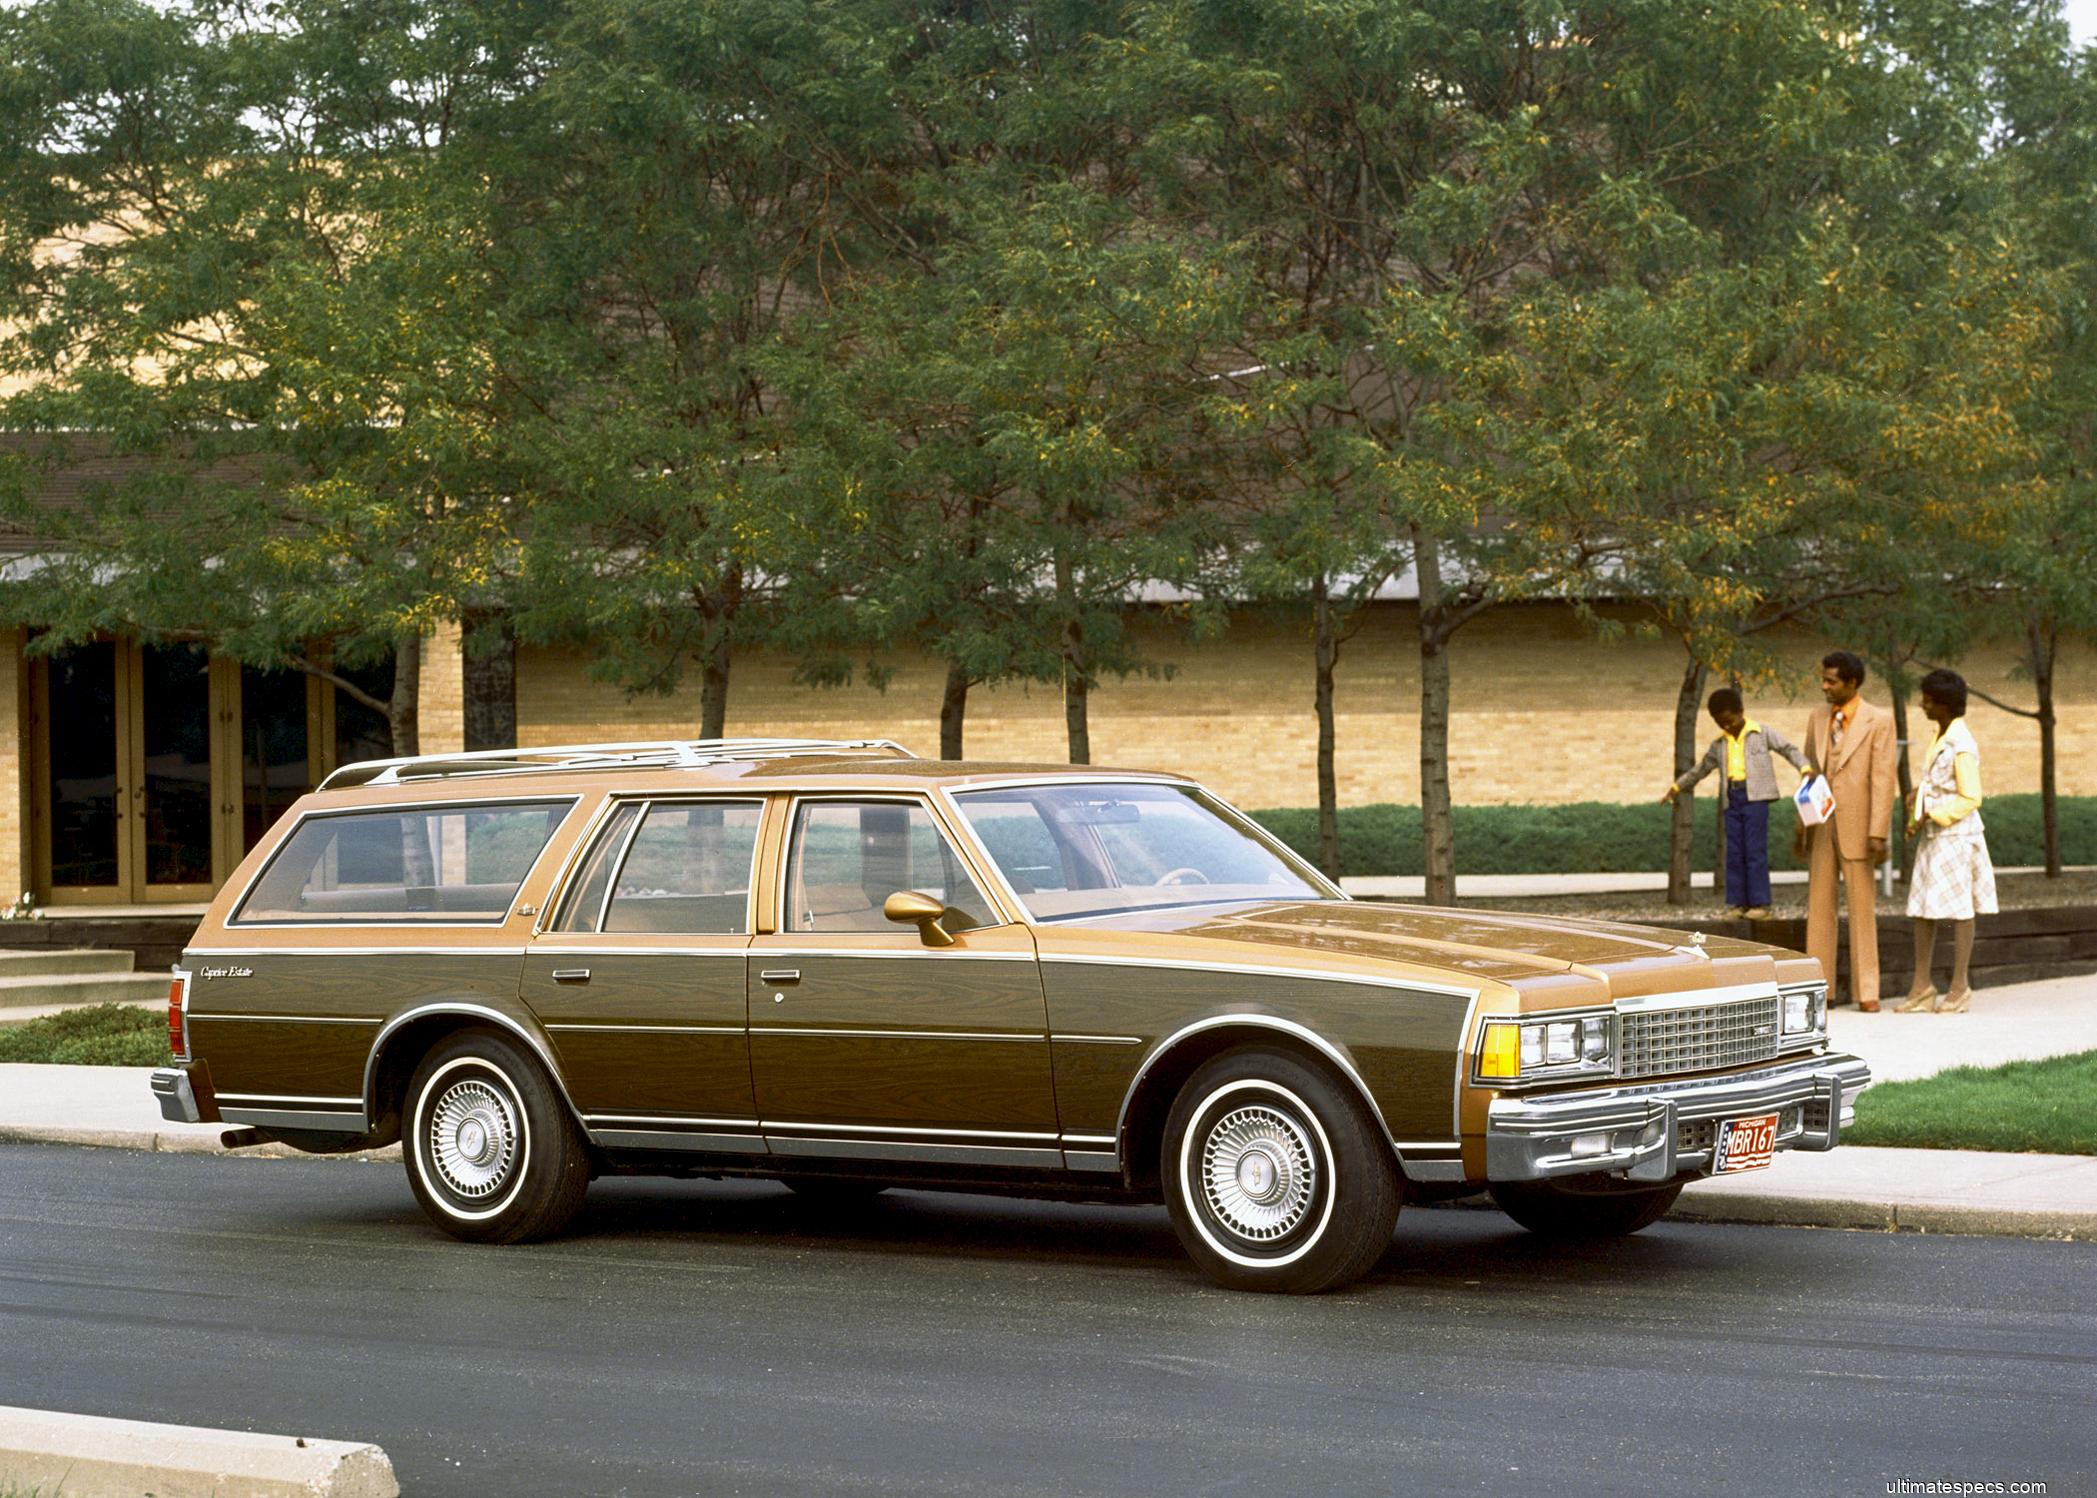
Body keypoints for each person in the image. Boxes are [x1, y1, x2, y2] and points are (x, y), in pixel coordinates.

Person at [1796, 650, 1898, 1011]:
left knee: (1861, 909)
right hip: (1822, 824)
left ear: (1852, 683)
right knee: (1820, 909)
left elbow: (1885, 779)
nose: (1824, 686)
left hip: (1860, 826)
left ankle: (1866, 991)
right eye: (1823, 680)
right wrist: (1802, 824)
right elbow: (1809, 773)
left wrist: (1879, 831)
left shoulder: (1879, 720)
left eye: (1831, 681)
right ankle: (1819, 991)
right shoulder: (1817, 717)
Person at [1895, 669, 1998, 1014]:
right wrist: (1917, 796)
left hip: (1956, 837)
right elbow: (1937, 784)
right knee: (1923, 910)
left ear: (1944, 704)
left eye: (1928, 699)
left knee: (1959, 910)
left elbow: (1971, 797)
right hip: (1935, 838)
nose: (1922, 704)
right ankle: (1922, 986)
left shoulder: (1961, 745)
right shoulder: (1941, 737)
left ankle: (1960, 986)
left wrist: (1931, 813)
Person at [1661, 688, 1812, 919]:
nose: (1727, 727)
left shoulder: (1761, 733)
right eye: (1722, 724)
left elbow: (1787, 749)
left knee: (1754, 851)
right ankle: (1737, 904)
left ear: (1741, 712)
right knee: (1735, 853)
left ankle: (1760, 904)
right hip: (1732, 799)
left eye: (1730, 720)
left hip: (1756, 798)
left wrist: (1804, 768)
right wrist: (1677, 787)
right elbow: (1700, 769)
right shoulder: (1719, 745)